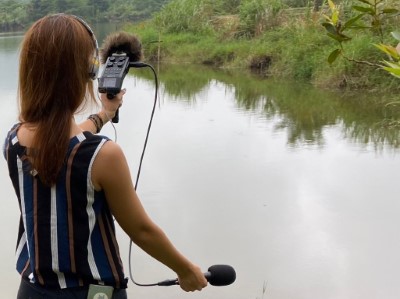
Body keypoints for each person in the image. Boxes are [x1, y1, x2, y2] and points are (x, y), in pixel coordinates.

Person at [3, 13, 207, 299]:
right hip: (93, 293)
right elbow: (141, 230)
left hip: (32, 290)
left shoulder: (13, 139)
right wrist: (185, 270)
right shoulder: (103, 155)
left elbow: (62, 141)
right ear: (87, 71)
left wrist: (104, 114)